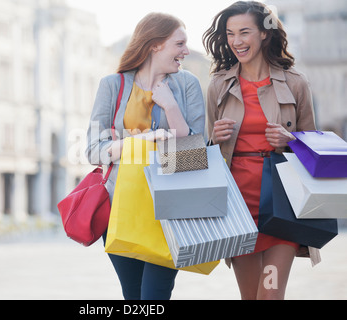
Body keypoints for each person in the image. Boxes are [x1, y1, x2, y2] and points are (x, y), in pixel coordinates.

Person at [86, 12, 205, 300]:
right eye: (179, 44)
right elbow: (92, 150)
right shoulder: (112, 85)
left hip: (170, 209)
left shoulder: (187, 85)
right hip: (121, 207)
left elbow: (194, 155)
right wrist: (143, 140)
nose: (186, 52)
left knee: (155, 294)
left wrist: (171, 106)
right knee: (133, 295)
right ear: (155, 44)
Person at [203, 1, 316, 300]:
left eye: (244, 32)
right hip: (238, 207)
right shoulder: (218, 85)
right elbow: (208, 153)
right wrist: (214, 139)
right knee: (251, 296)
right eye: (230, 34)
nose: (236, 41)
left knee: (270, 294)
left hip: (282, 206)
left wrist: (291, 140)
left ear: (265, 34)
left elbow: (315, 149)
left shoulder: (296, 83)